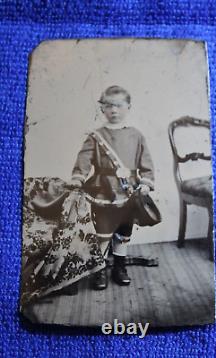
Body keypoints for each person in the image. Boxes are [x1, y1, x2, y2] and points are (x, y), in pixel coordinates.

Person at [67, 85, 155, 290]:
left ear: (128, 107)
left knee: (124, 231)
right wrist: (78, 178)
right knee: (103, 231)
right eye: (108, 106)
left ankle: (119, 266)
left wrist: (146, 183)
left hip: (129, 191)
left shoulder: (136, 135)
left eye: (118, 105)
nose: (113, 110)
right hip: (103, 189)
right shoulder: (95, 136)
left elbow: (146, 163)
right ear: (102, 109)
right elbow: (84, 159)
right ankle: (99, 269)